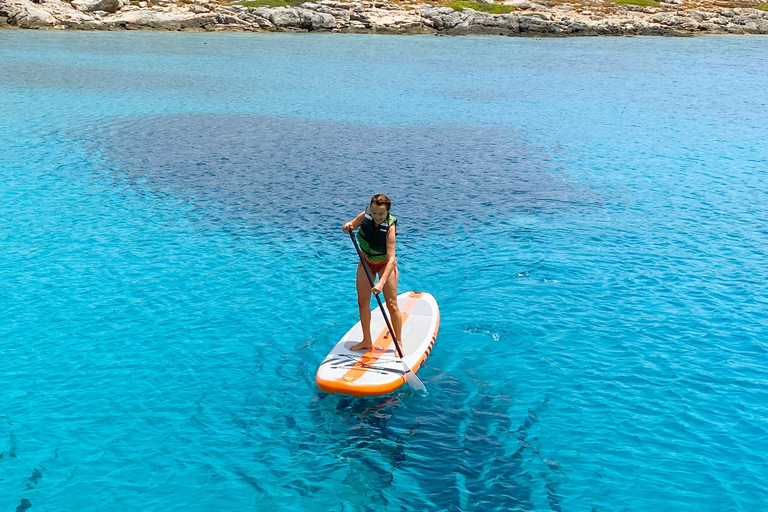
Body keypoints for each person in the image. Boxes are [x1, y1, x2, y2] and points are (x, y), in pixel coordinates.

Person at [342, 194, 402, 352]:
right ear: (370, 209)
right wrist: (347, 226)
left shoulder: (390, 228)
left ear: (388, 211)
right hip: (366, 262)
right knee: (362, 302)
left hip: (385, 265)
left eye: (381, 214)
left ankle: (399, 342)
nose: (377, 217)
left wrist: (381, 283)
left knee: (391, 305)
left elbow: (391, 260)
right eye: (374, 213)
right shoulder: (365, 216)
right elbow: (351, 226)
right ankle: (367, 340)